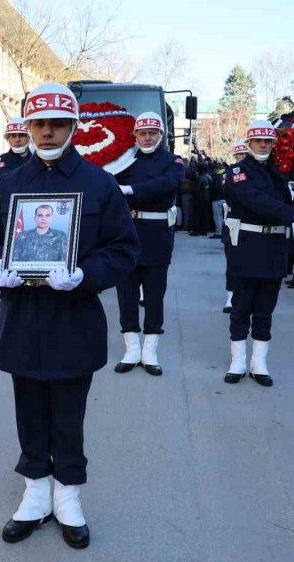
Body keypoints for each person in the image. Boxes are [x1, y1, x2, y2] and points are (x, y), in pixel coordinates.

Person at [0, 82, 139, 550]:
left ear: (73, 127)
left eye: (58, 124)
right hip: (23, 316)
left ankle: (68, 497)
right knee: (29, 409)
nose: (47, 132)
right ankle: (35, 493)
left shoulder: (99, 183)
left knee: (68, 413)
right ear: (28, 127)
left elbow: (123, 249)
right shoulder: (9, 185)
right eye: (39, 124)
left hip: (73, 317)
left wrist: (85, 275)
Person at [222, 120, 294, 387]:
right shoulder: (238, 171)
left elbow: (290, 200)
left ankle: (259, 364)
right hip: (247, 247)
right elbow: (255, 201)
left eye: (268, 141)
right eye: (258, 141)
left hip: (274, 248)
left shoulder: (280, 171)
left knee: (265, 309)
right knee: (241, 308)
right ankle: (237, 362)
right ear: (249, 143)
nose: (263, 145)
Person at [113, 111, 185, 376]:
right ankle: (131, 349)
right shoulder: (124, 160)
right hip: (127, 234)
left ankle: (150, 351)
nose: (147, 138)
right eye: (142, 133)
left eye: (152, 133)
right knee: (126, 295)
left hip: (156, 236)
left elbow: (169, 184)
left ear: (161, 135)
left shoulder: (172, 161)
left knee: (154, 296)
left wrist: (131, 190)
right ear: (135, 135)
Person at [221, 140, 249, 313]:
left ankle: (246, 297)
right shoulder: (230, 173)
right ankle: (231, 297)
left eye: (246, 154)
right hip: (234, 221)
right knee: (232, 262)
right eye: (240, 154)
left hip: (252, 222)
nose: (243, 157)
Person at [0, 118, 33, 188]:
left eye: (21, 135)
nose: (17, 139)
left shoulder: (39, 159)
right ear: (8, 139)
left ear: (29, 137)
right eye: (13, 136)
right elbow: (6, 181)